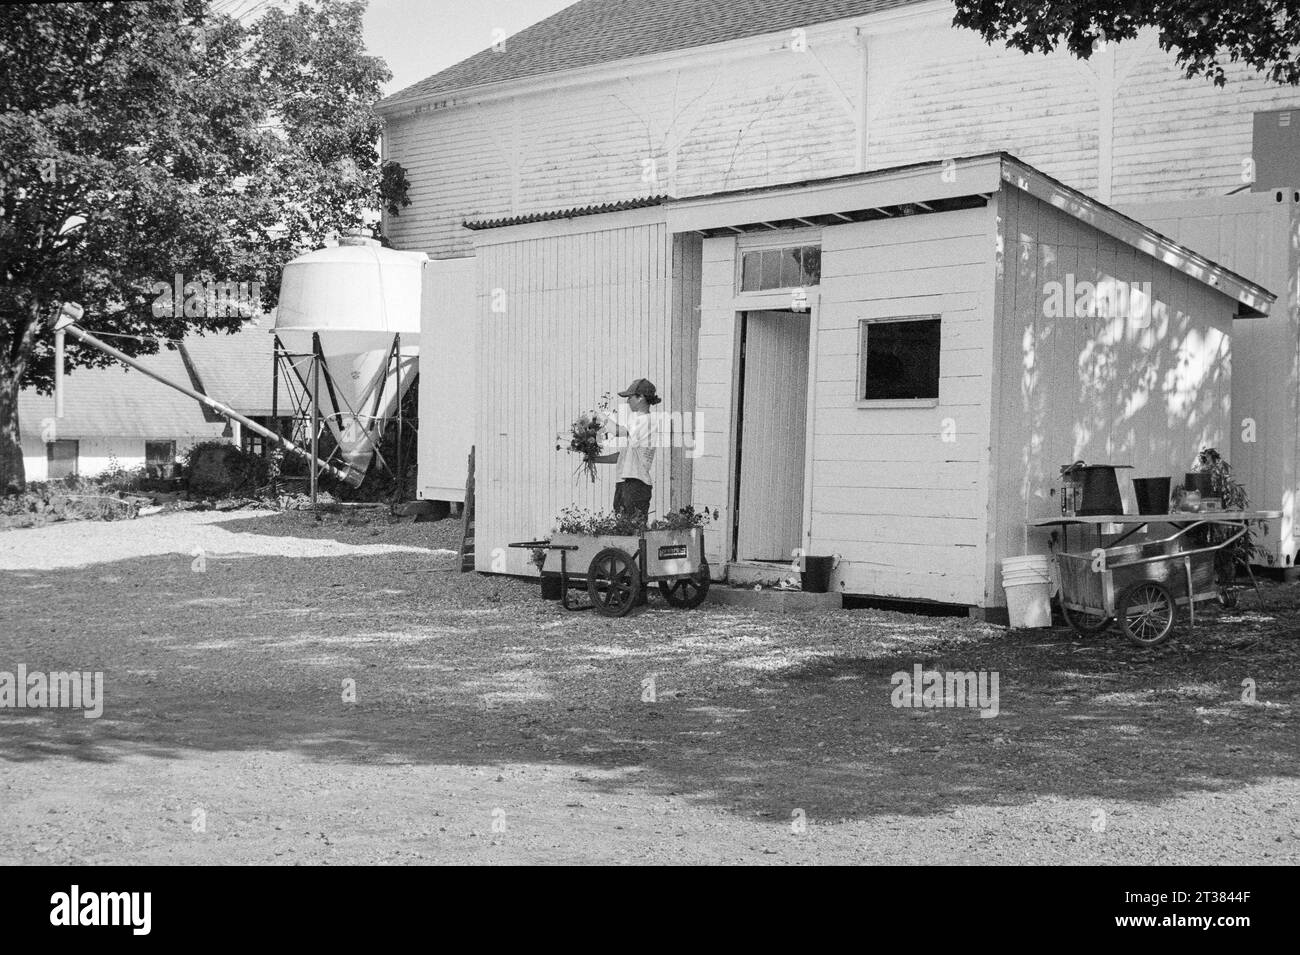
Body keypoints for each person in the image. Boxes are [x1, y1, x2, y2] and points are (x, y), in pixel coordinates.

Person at [592, 378, 660, 523]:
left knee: (633, 529)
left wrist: (601, 417)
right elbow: (622, 456)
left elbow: (617, 431)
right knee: (623, 528)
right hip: (626, 482)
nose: (628, 401)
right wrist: (595, 459)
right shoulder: (638, 423)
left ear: (641, 397)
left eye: (630, 397)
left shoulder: (647, 421)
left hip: (636, 483)